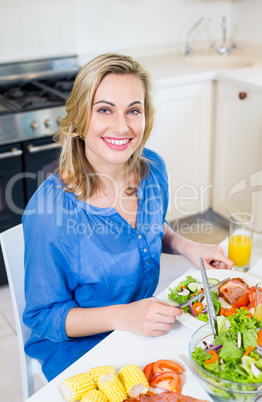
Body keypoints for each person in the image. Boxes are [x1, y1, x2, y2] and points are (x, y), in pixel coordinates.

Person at [22, 53, 233, 381]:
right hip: (77, 349)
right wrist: (125, 317)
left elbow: (145, 231)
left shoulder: (152, 168)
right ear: (79, 118)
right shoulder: (49, 213)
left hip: (140, 327)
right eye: (104, 109)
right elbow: (43, 317)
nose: (122, 126)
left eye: (133, 110)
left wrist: (186, 245)